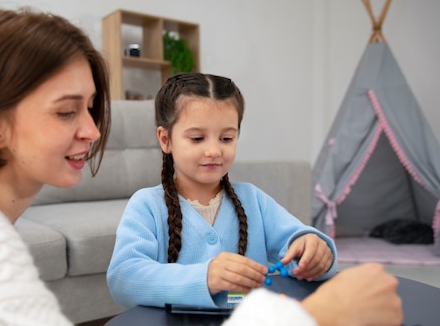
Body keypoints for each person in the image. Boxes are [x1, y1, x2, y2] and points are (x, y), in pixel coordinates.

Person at [0, 7, 402, 326]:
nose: (94, 131)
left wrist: (315, 245)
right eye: (67, 111)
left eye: (93, 109)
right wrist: (320, 324)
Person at [107, 73, 338, 309]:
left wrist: (314, 250)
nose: (214, 150)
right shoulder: (147, 205)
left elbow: (296, 243)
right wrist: (205, 278)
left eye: (226, 138)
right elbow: (124, 278)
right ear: (165, 139)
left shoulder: (253, 200)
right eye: (197, 138)